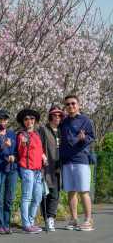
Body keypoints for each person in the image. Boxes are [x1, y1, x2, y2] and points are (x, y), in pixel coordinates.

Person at [60, 95, 95, 231]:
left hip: (81, 159)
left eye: (73, 103)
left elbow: (91, 136)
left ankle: (88, 220)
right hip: (67, 161)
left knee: (83, 191)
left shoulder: (85, 120)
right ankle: (74, 219)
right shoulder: (64, 122)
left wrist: (84, 138)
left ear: (78, 104)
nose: (70, 106)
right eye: (67, 104)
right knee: (71, 191)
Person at [16, 108, 47, 234]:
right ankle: (26, 224)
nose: (29, 121)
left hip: (38, 170)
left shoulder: (37, 135)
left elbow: (39, 150)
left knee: (38, 197)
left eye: (32, 119)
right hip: (27, 169)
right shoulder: (21, 135)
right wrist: (23, 144)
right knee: (27, 197)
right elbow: (20, 151)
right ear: (23, 122)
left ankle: (31, 221)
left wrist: (43, 156)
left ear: (35, 121)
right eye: (26, 119)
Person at [38, 105, 64, 231]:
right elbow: (38, 146)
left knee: (55, 194)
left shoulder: (61, 131)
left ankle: (51, 219)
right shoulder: (43, 129)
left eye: (59, 115)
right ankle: (46, 218)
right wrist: (42, 156)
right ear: (50, 116)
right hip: (45, 167)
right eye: (55, 115)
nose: (57, 117)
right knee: (45, 193)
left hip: (57, 167)